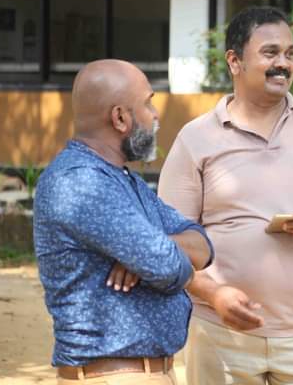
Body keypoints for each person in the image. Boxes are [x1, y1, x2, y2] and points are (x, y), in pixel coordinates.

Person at [158, 6, 293, 385]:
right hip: (219, 332)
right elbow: (167, 245)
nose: (283, 64)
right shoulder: (196, 137)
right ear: (235, 61)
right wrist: (215, 294)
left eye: (290, 54)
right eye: (270, 53)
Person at [33, 59, 214, 385]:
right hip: (112, 377)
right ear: (120, 118)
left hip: (148, 373)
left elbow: (202, 244)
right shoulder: (79, 181)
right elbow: (166, 266)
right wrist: (153, 254)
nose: (155, 116)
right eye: (148, 104)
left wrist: (150, 249)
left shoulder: (125, 181)